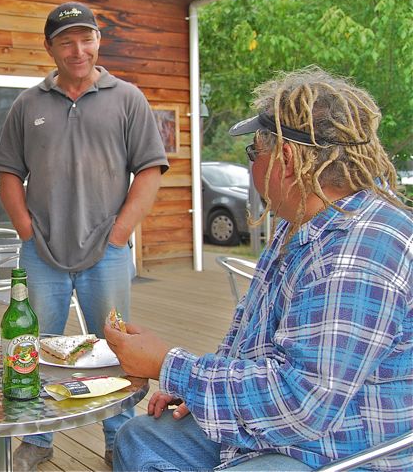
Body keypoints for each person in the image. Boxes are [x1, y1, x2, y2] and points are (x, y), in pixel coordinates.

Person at [106, 67, 412, 471]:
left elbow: (301, 406)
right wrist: (194, 388)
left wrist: (167, 365)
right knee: (141, 438)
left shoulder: (361, 252)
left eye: (254, 151)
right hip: (284, 431)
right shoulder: (299, 222)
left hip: (337, 452)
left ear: (285, 159)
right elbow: (255, 345)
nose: (252, 165)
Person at [0, 2, 169, 469]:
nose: (78, 49)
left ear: (97, 41)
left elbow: (150, 170)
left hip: (106, 253)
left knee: (114, 349)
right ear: (49, 47)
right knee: (30, 345)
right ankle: (36, 437)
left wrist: (120, 233)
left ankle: (119, 439)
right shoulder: (28, 105)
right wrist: (26, 228)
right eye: (66, 41)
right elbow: (8, 172)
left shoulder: (127, 98)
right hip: (40, 253)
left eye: (86, 38)